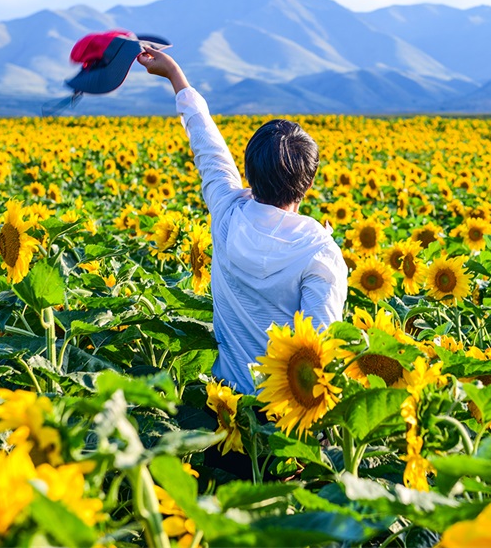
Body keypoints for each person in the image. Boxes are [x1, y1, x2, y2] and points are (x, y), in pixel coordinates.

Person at [137, 47, 348, 395]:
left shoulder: (227, 213)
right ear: (309, 183)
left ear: (247, 172)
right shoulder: (320, 254)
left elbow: (208, 147)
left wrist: (176, 75)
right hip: (288, 421)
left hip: (225, 407)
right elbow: (324, 352)